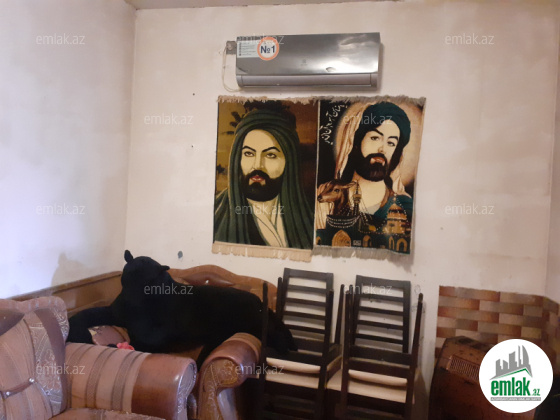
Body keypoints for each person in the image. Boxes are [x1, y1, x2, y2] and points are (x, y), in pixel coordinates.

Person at [214, 109, 313, 249]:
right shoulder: (216, 214)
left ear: (289, 161)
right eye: (248, 153)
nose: (257, 165)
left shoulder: (311, 215)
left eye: (270, 155)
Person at [328, 102, 413, 228]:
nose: (382, 149)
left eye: (391, 143)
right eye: (375, 138)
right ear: (355, 142)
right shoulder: (327, 199)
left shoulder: (404, 207)